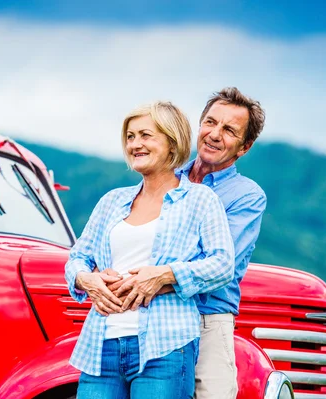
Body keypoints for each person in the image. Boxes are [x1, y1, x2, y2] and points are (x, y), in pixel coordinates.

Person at [65, 101, 235, 399]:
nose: (135, 144)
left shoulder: (200, 200)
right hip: (101, 343)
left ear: (172, 143)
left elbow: (222, 264)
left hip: (166, 345)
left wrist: (164, 275)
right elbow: (77, 257)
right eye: (130, 137)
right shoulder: (111, 201)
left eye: (145, 135)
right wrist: (85, 279)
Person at [110, 87, 267, 399]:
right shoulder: (162, 179)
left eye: (229, 130)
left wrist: (154, 275)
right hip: (154, 314)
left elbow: (221, 265)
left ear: (244, 147)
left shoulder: (247, 196)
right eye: (210, 122)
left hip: (207, 320)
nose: (214, 134)